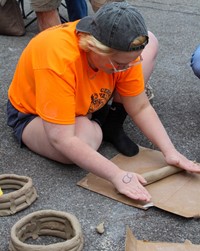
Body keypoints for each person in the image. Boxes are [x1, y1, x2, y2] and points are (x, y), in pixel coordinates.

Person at [7, 2, 200, 202]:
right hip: (32, 115)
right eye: (119, 64)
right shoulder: (57, 59)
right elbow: (61, 138)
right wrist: (116, 175)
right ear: (93, 46)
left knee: (151, 42)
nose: (126, 69)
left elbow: (140, 106)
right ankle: (98, 122)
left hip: (84, 102)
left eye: (130, 62)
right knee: (78, 143)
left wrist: (170, 152)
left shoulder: (123, 50)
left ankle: (103, 120)